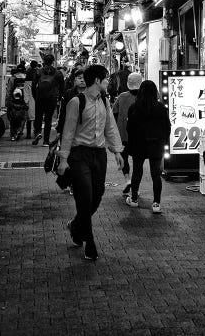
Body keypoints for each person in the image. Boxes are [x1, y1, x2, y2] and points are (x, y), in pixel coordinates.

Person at [57, 64, 123, 262]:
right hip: (79, 155)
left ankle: (76, 225)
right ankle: (90, 243)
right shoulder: (76, 102)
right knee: (85, 197)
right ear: (96, 80)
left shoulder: (105, 100)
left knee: (97, 196)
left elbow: (110, 126)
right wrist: (63, 159)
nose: (108, 82)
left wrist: (117, 151)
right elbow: (68, 132)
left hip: (99, 155)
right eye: (106, 79)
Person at [126, 79, 171, 214]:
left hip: (138, 144)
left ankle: (134, 199)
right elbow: (167, 127)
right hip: (156, 144)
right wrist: (164, 142)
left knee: (137, 171)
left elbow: (129, 128)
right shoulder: (160, 108)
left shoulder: (134, 107)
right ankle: (156, 204)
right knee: (155, 174)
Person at [112, 71, 142, 195]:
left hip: (123, 134)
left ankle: (127, 179)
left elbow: (114, 114)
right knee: (137, 162)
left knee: (123, 159)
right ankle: (135, 187)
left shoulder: (122, 96)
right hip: (138, 136)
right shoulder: (144, 98)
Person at [32, 54, 64, 146]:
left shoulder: (38, 72)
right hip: (52, 98)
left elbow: (33, 86)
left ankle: (37, 133)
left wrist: (35, 96)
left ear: (44, 61)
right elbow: (62, 87)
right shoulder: (58, 73)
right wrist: (59, 98)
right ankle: (46, 141)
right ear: (53, 61)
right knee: (48, 119)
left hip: (40, 97)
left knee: (38, 117)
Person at [56, 66, 87, 137]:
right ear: (75, 80)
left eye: (85, 78)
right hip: (70, 129)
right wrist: (60, 129)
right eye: (79, 78)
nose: (82, 80)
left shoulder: (92, 94)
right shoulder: (68, 94)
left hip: (86, 130)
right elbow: (63, 112)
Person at [22, 74, 35, 139]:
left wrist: (26, 102)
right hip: (36, 102)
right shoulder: (36, 82)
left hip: (29, 102)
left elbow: (26, 94)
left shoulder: (26, 84)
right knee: (36, 118)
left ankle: (28, 134)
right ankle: (36, 132)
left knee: (29, 119)